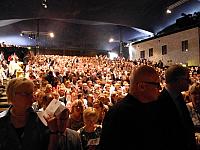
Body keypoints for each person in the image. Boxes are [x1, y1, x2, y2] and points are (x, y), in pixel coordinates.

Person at [99, 65, 162, 150]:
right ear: (142, 86)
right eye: (157, 84)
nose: (160, 88)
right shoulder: (118, 114)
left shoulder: (155, 107)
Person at [0, 78, 49, 150]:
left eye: (32, 93)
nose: (32, 97)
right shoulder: (2, 120)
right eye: (26, 94)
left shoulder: (41, 120)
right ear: (12, 96)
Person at [158, 65, 196, 150]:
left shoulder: (178, 96)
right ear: (177, 80)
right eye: (187, 79)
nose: (189, 82)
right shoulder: (159, 101)